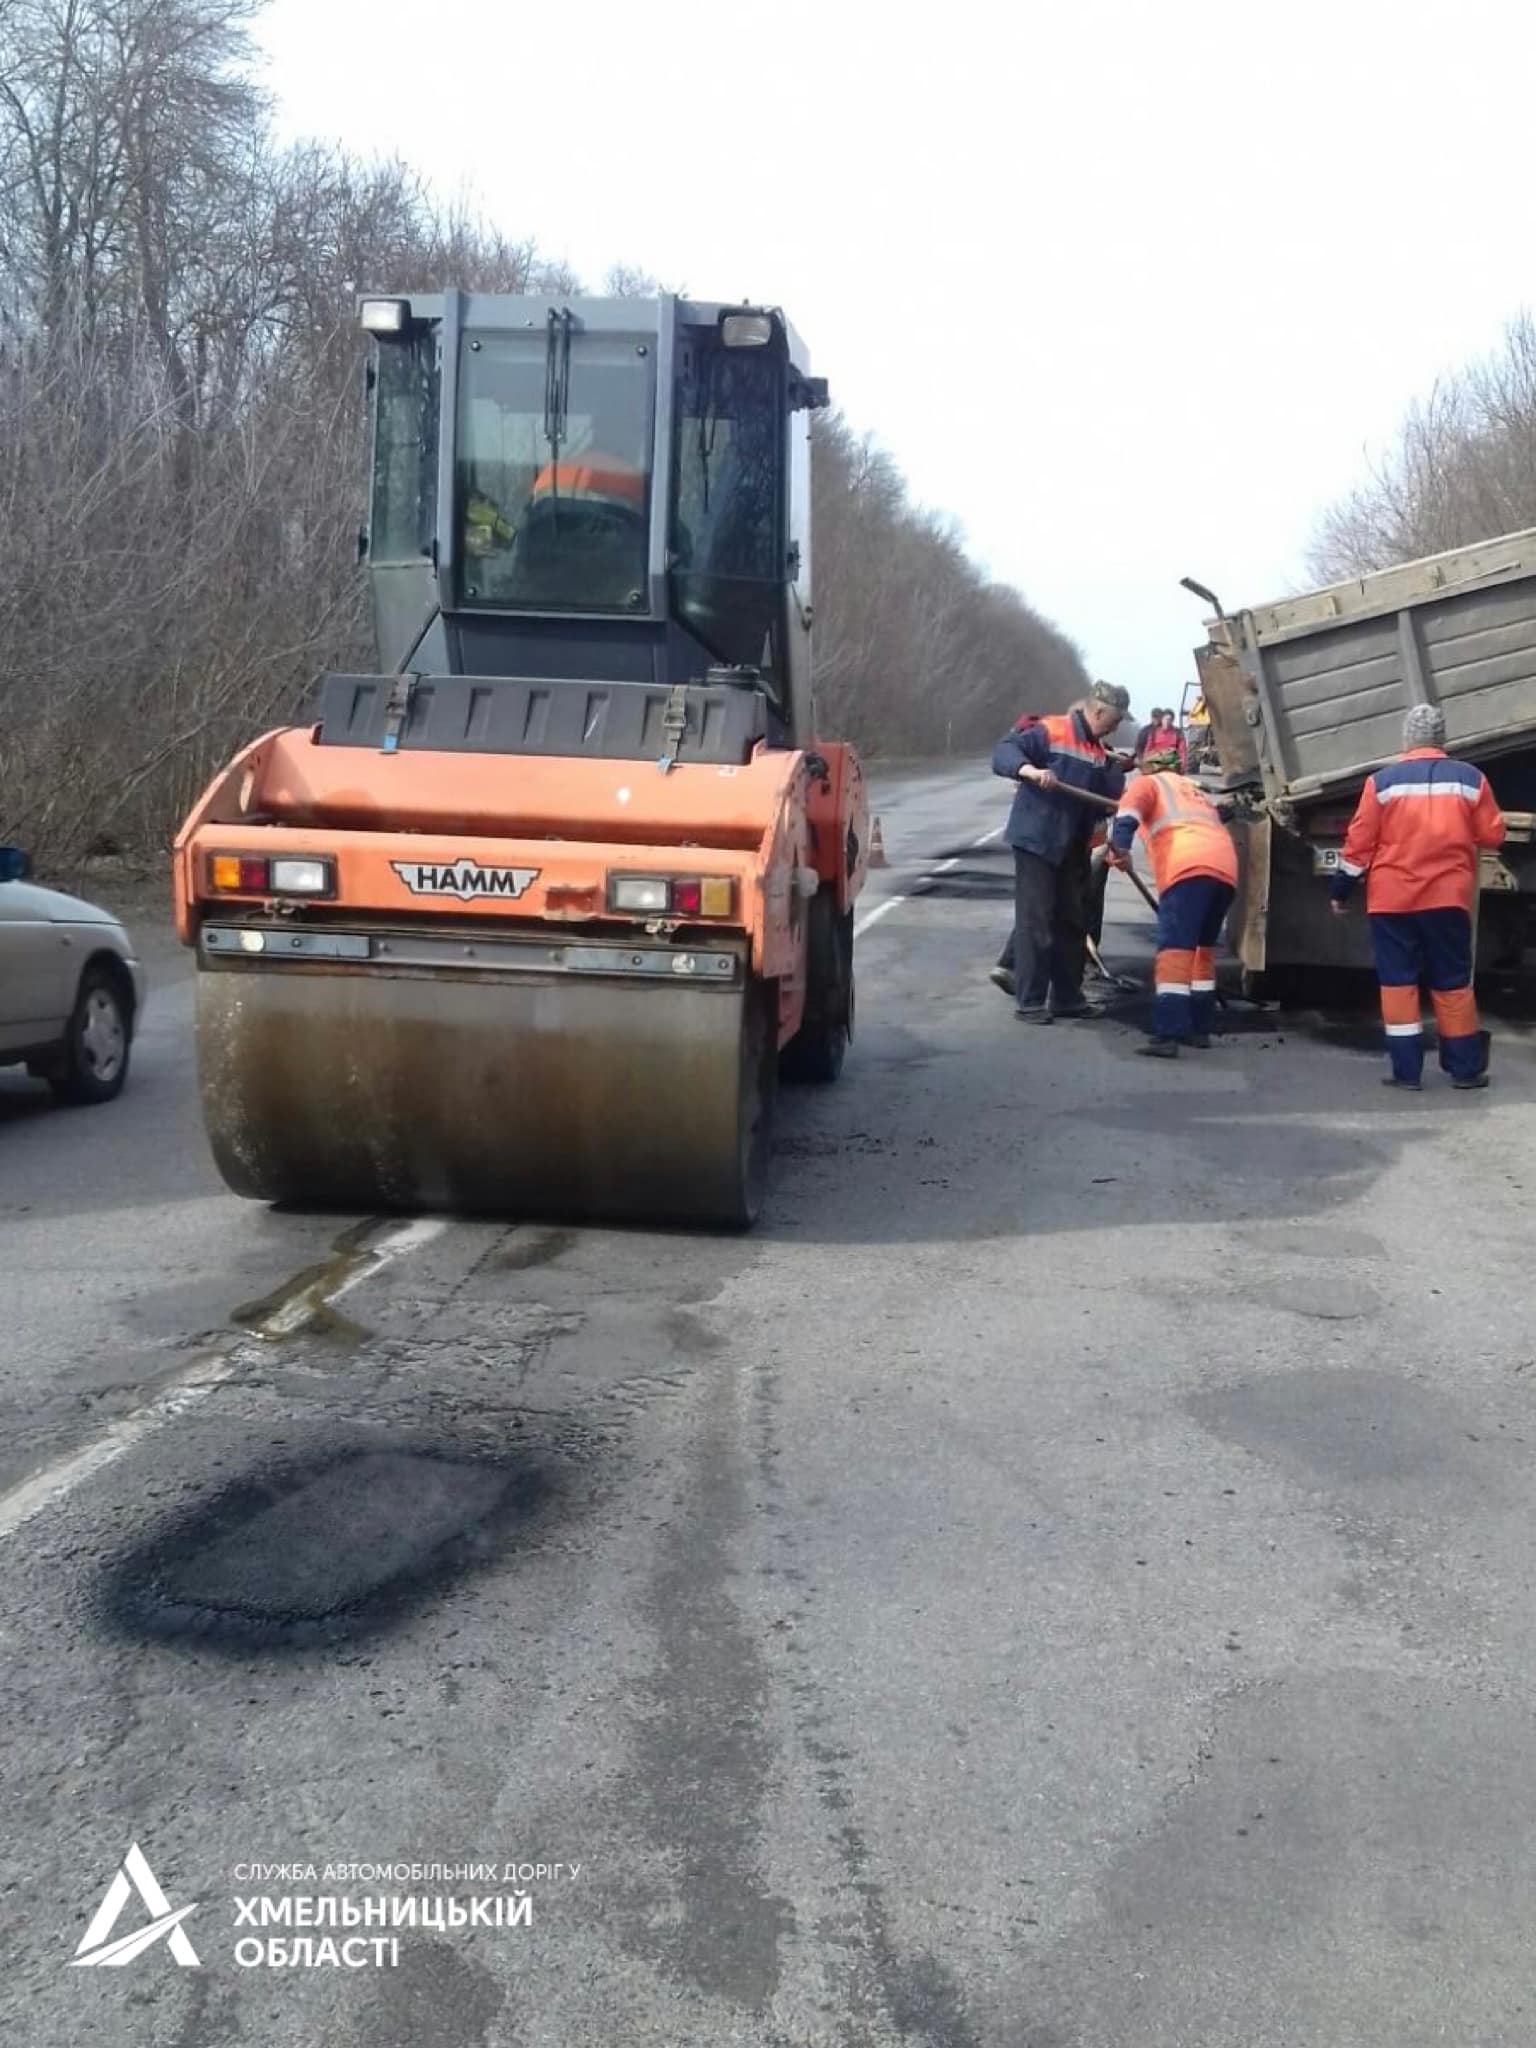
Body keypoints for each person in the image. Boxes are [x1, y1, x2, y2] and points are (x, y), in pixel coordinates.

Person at [1329, 704, 1505, 1090]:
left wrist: (1341, 890)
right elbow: (1493, 835)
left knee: (1398, 985)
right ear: (1443, 738)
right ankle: (1465, 1071)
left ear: (1407, 738)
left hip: (1392, 901)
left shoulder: (1382, 783)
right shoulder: (1471, 780)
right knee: (1453, 984)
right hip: (1447, 898)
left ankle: (1406, 1073)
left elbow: (1359, 845)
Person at [991, 680, 1130, 1022]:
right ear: (1098, 711)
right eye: (1113, 721)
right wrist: (1031, 771)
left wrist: (1120, 767)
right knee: (1036, 920)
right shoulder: (1051, 730)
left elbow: (1107, 799)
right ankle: (1031, 1003)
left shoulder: (1099, 751)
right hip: (1038, 840)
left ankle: (1068, 998)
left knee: (1072, 922)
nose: (1115, 728)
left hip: (1072, 846)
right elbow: (1004, 753)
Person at [1107, 748, 1238, 1057]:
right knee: (1201, 951)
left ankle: (1169, 1033)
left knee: (1175, 951)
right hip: (1225, 870)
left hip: (1187, 866)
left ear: (1147, 769)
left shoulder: (1148, 784)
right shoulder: (1192, 790)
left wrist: (1120, 849)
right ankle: (1200, 1028)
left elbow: (1126, 816)